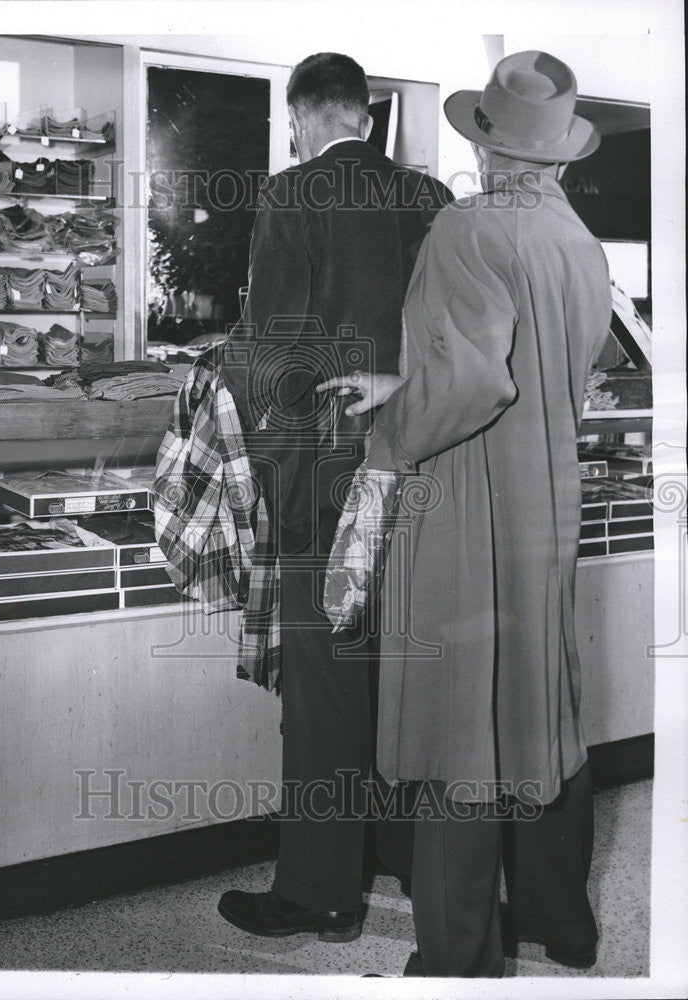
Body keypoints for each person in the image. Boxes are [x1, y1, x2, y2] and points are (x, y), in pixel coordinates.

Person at [318, 50, 611, 976]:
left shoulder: (466, 227)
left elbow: (476, 383)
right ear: (559, 156)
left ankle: (459, 957)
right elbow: (567, 363)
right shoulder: (578, 239)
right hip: (547, 507)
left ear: (486, 148)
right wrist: (413, 380)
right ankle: (564, 924)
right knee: (540, 707)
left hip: (470, 507)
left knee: (459, 726)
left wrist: (392, 434)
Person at [218, 52, 451, 940]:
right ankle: (399, 859)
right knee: (404, 679)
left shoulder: (289, 198)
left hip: (327, 480)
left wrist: (277, 468)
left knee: (325, 689)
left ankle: (320, 892)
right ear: (367, 111)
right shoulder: (428, 200)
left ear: (306, 115)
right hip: (423, 472)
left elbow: (273, 355)